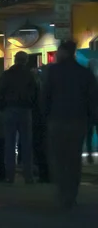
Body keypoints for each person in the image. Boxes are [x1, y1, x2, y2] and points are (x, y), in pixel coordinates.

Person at [43, 41, 98, 210]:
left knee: (58, 159)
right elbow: (92, 100)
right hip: (78, 121)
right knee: (74, 160)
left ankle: (62, 191)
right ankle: (71, 195)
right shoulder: (84, 73)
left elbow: (44, 97)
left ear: (63, 52)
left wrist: (45, 117)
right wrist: (92, 120)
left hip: (57, 120)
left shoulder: (52, 72)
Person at [0, 51, 38, 184]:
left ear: (15, 60)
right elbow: (36, 92)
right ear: (25, 60)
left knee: (9, 143)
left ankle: (10, 175)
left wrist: (2, 108)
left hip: (9, 109)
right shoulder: (29, 75)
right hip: (25, 110)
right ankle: (28, 175)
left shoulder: (7, 74)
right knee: (26, 144)